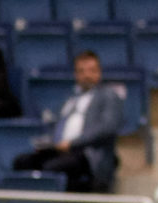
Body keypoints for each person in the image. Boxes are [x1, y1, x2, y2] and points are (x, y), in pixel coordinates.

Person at [12, 52, 123, 193]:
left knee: (52, 168)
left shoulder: (108, 95)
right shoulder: (71, 99)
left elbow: (107, 128)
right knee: (22, 162)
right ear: (76, 74)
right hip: (59, 150)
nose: (86, 75)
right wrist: (48, 143)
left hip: (86, 154)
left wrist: (72, 143)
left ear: (99, 72)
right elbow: (56, 126)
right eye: (81, 71)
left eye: (91, 70)